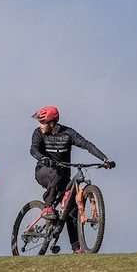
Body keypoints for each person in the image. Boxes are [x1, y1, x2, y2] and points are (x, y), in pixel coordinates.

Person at [30, 105, 115, 253]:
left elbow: (87, 145)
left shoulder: (68, 133)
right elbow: (33, 149)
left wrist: (104, 159)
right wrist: (42, 158)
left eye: (42, 122)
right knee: (54, 173)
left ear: (52, 123)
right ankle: (48, 207)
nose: (39, 125)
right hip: (43, 171)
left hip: (63, 177)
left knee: (72, 209)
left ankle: (77, 248)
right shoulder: (38, 133)